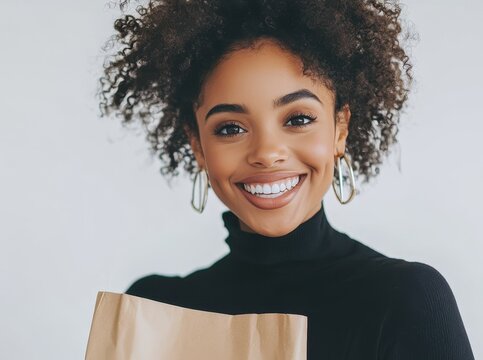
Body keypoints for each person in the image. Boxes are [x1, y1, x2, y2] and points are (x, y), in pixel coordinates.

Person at [98, 0, 475, 358]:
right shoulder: (152, 312)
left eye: (297, 119)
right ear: (197, 144)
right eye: (230, 128)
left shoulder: (404, 300)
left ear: (340, 129)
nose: (266, 152)